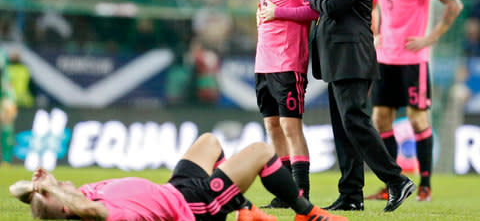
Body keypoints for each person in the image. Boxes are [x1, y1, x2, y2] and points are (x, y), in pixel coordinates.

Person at [293, 0, 415, 212]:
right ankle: (351, 195)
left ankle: (396, 180)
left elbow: (333, 6)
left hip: (351, 57)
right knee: (343, 127)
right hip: (338, 58)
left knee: (354, 121)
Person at [10, 133, 348, 221]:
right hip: (194, 205)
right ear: (67, 208)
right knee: (260, 151)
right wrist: (51, 189)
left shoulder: (80, 193)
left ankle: (244, 209)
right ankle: (307, 212)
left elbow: (19, 191)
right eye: (54, 191)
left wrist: (41, 187)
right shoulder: (103, 213)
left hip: (176, 187)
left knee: (209, 142)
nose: (56, 184)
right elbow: (90, 211)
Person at [361, 0, 464, 202]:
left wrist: (430, 38)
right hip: (385, 58)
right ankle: (392, 184)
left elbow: (453, 3)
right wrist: (375, 34)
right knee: (380, 119)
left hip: (412, 60)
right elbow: (371, 6)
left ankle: (425, 186)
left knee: (418, 120)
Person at [255, 0, 320, 208]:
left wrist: (277, 12)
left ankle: (301, 192)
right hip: (264, 61)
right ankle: (284, 193)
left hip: (288, 59)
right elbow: (265, 12)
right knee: (272, 125)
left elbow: (316, 8)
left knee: (290, 126)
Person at [0, 48, 17, 167]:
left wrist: (9, 106)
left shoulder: (6, 80)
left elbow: (9, 91)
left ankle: (6, 160)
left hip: (5, 101)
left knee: (7, 129)